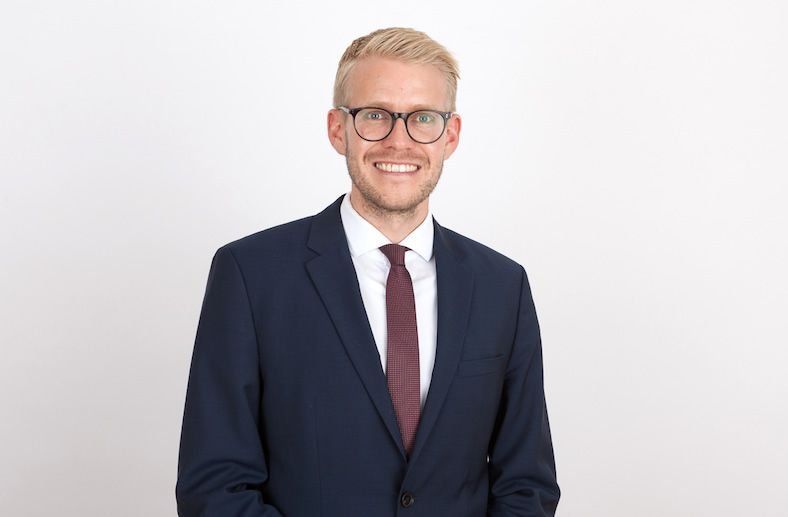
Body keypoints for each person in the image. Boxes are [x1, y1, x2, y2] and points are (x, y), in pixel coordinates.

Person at [175, 27, 560, 516]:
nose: (399, 141)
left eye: (423, 118)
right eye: (375, 115)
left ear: (451, 135)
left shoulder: (502, 286)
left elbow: (526, 484)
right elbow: (214, 487)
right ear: (338, 128)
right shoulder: (251, 276)